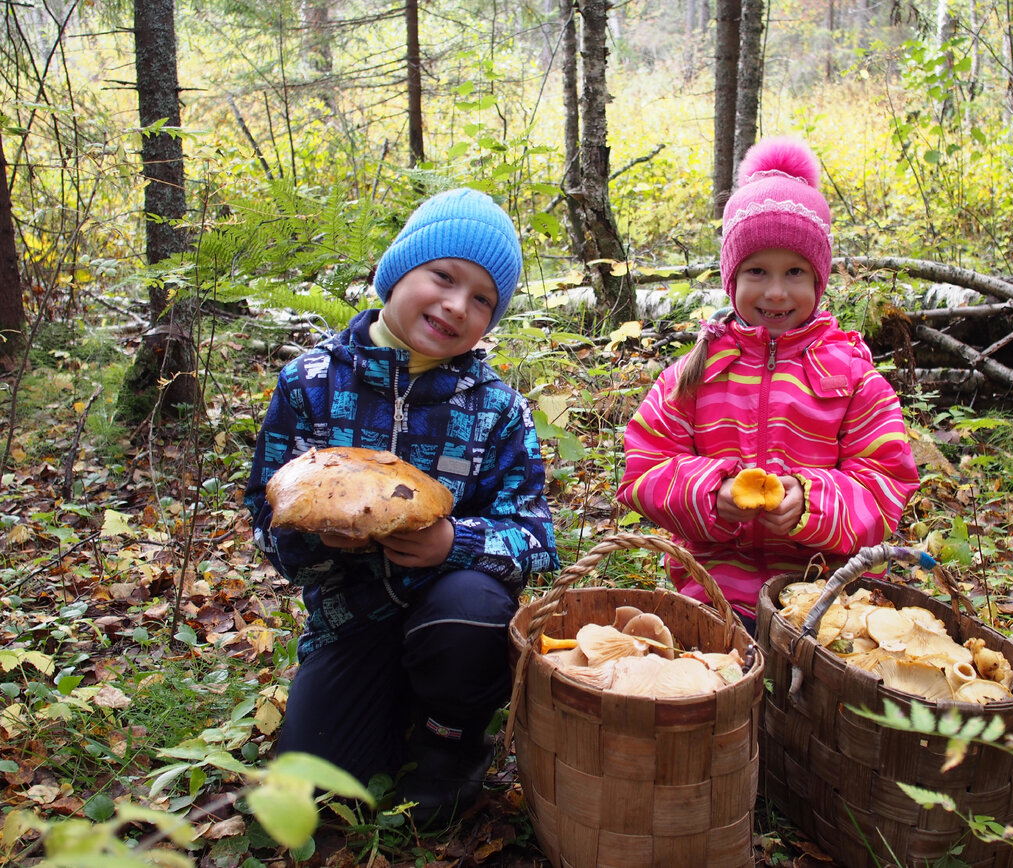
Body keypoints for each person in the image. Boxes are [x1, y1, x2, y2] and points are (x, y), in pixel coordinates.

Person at [244, 187, 560, 824]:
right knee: (316, 794)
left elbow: (535, 533)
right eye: (442, 276)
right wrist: (313, 540)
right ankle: (388, 705)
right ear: (397, 271)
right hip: (350, 620)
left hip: (451, 615)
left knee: (467, 618)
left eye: (482, 300)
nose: (455, 306)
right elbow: (264, 511)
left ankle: (453, 740)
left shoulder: (496, 407)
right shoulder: (308, 383)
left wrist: (455, 545)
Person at [617, 137, 919, 631]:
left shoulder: (853, 379)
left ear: (818, 281)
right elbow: (644, 468)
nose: (776, 292)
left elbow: (887, 484)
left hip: (827, 595)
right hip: (714, 591)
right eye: (757, 270)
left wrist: (813, 501)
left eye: (795, 272)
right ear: (730, 278)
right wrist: (709, 492)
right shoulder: (697, 373)